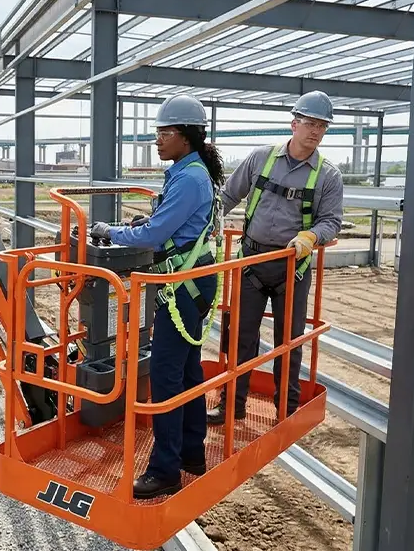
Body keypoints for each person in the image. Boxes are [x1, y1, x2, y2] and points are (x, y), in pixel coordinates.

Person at [89, 92, 225, 499]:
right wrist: (151, 219)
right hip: (192, 281)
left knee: (167, 376)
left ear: (185, 136)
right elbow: (172, 224)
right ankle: (191, 454)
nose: (157, 139)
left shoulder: (189, 178)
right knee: (186, 371)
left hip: (183, 286)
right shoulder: (191, 171)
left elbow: (153, 236)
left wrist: (109, 231)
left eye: (164, 132)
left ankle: (165, 470)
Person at [206, 90, 344, 425]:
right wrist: (207, 223)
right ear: (293, 123)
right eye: (309, 123)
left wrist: (311, 236)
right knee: (240, 336)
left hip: (291, 268)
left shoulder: (328, 175)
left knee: (290, 341)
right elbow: (227, 196)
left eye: (321, 126)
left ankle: (286, 409)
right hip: (251, 263)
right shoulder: (261, 159)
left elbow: (332, 221)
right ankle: (232, 405)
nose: (314, 131)